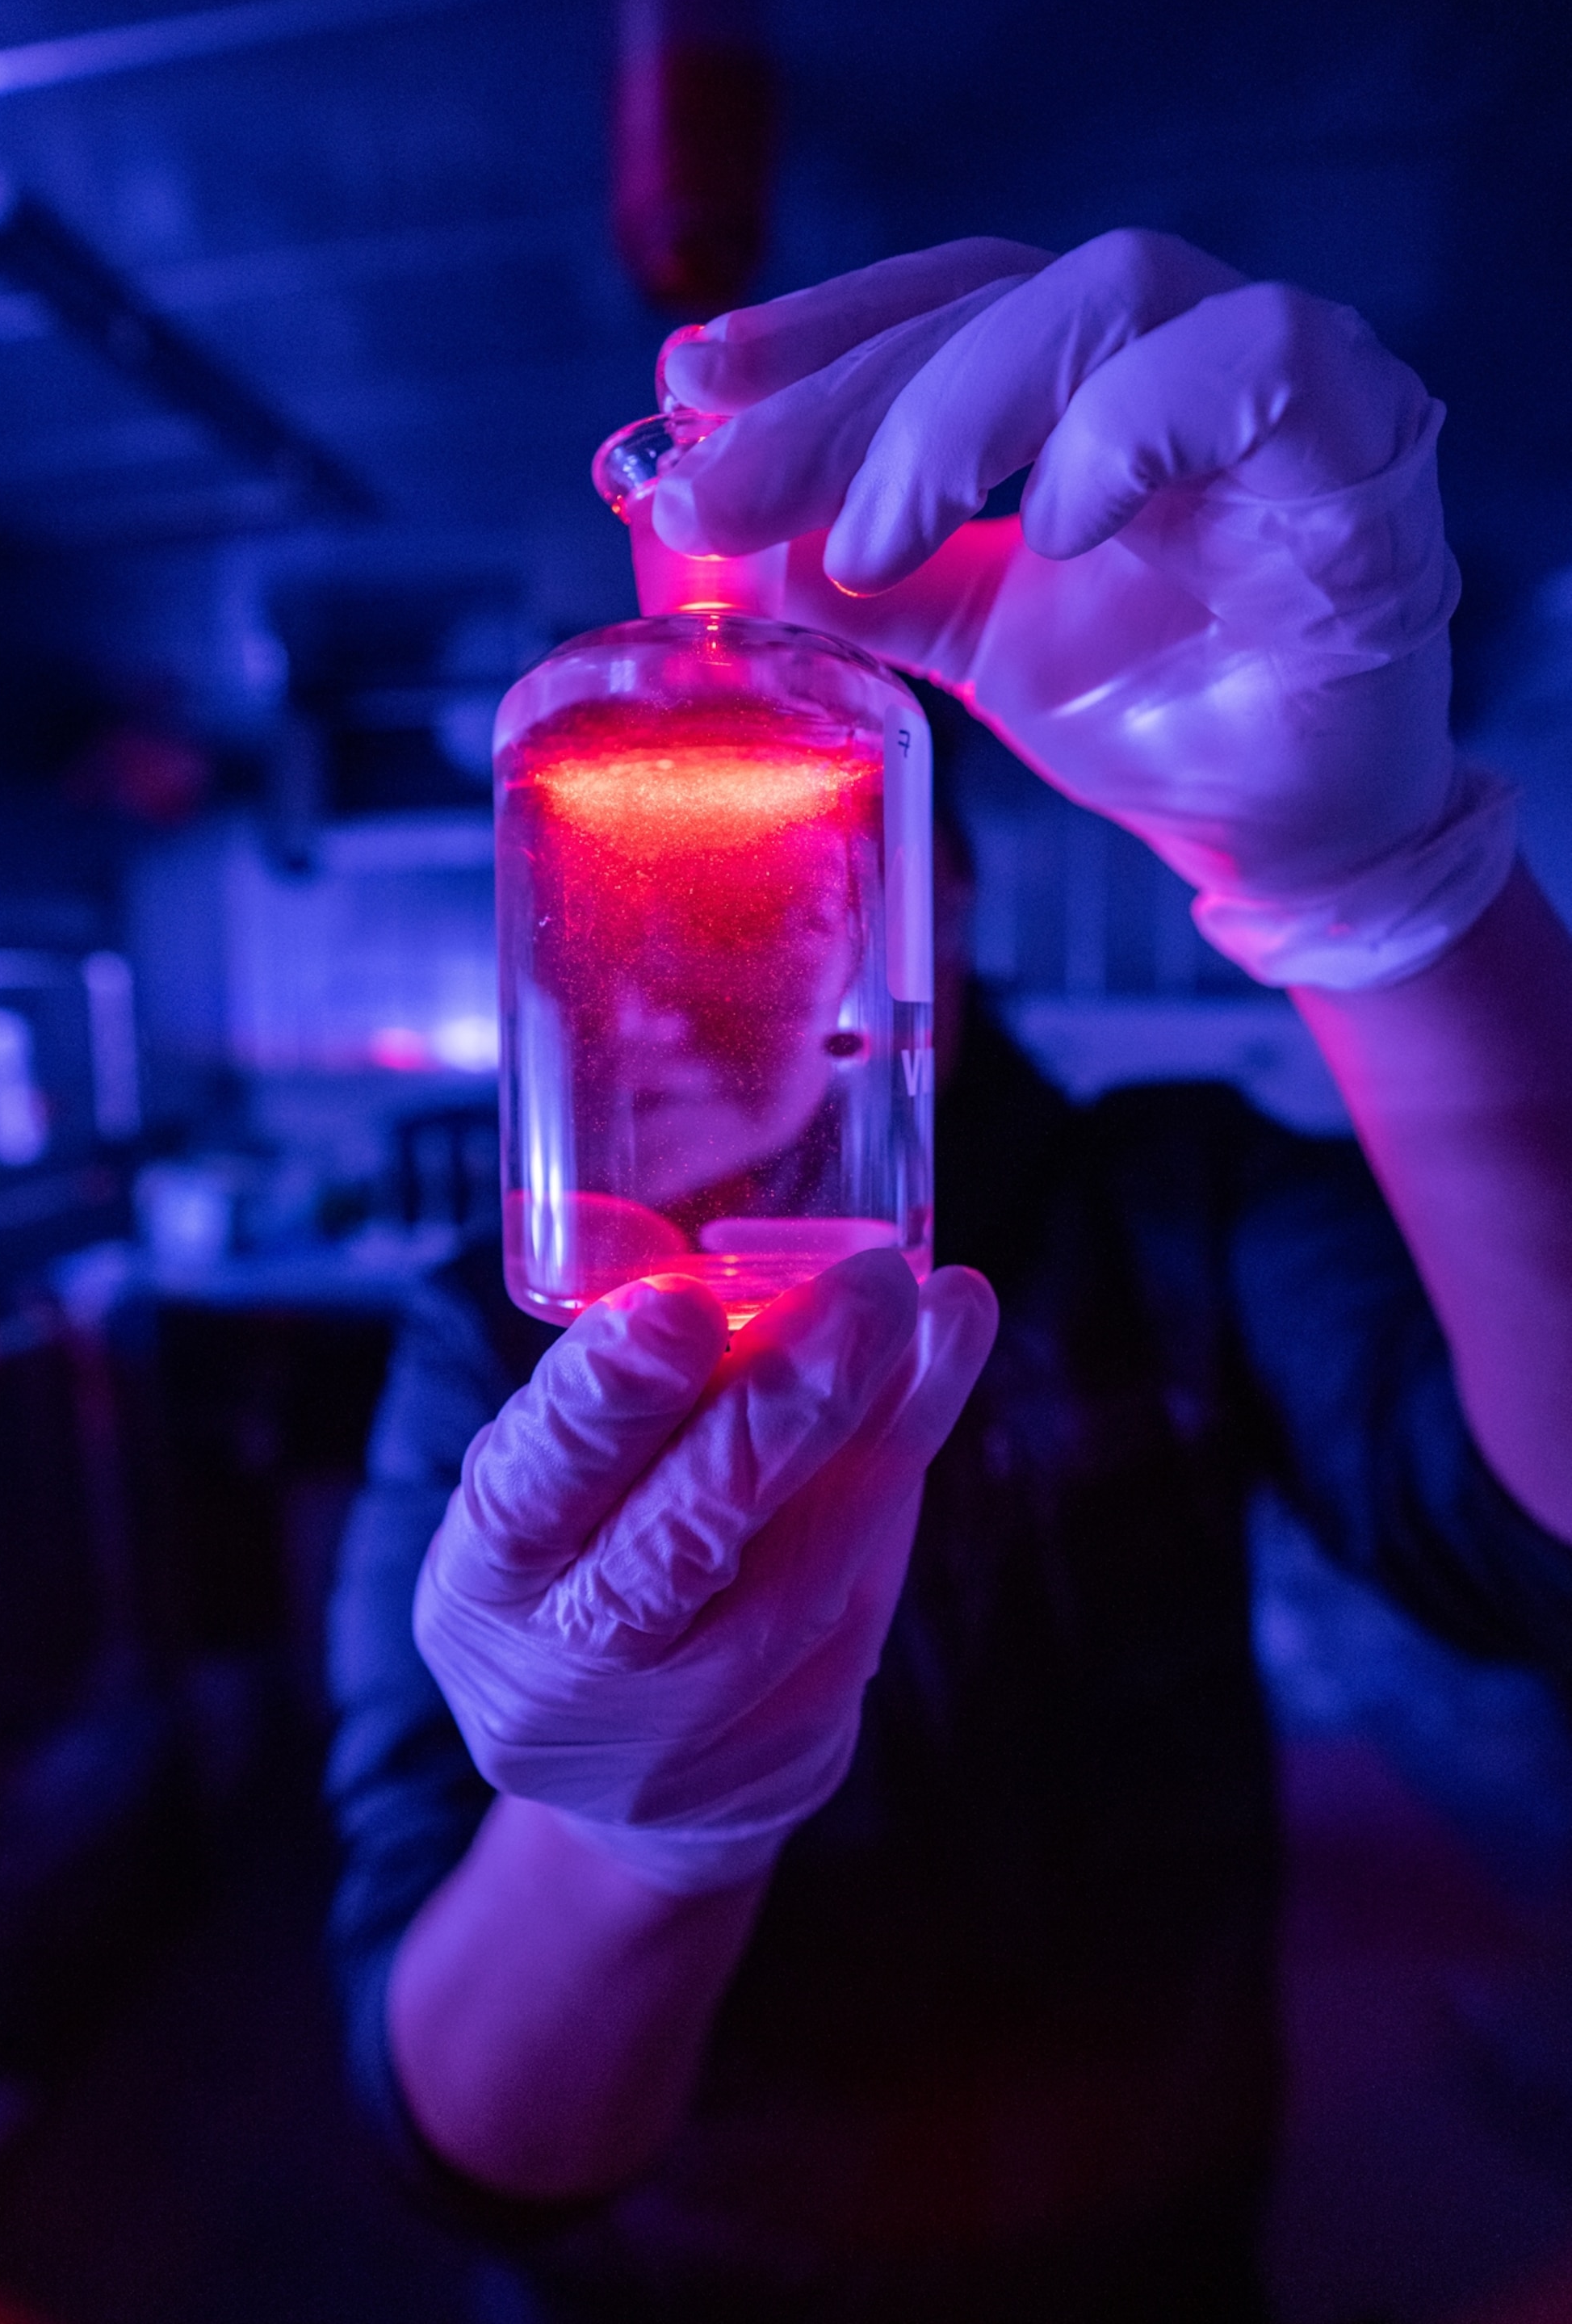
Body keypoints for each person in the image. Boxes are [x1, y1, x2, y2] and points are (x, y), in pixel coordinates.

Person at [326, 232, 1572, 2323]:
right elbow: (461, 2132)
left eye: (770, 882)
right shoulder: (489, 1332)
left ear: (926, 905)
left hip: (1143, 2250)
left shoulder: (1165, 1203)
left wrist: (1390, 894)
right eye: (631, 886)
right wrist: (628, 1849)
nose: (685, 971)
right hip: (681, 2273)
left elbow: (1542, 1545)